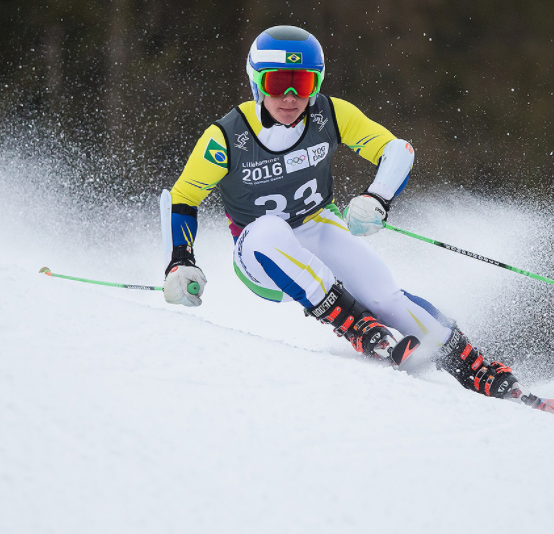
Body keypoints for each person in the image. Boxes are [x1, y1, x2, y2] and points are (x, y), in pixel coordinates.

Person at [163, 25, 525, 403]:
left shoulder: (330, 114)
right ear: (257, 82)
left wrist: (378, 197)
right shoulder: (226, 136)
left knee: (386, 297)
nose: (289, 98)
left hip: (316, 227)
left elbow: (397, 150)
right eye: (277, 83)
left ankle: (477, 369)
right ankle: (355, 325)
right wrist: (180, 261)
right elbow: (185, 196)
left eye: (301, 84)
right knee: (269, 229)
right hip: (260, 257)